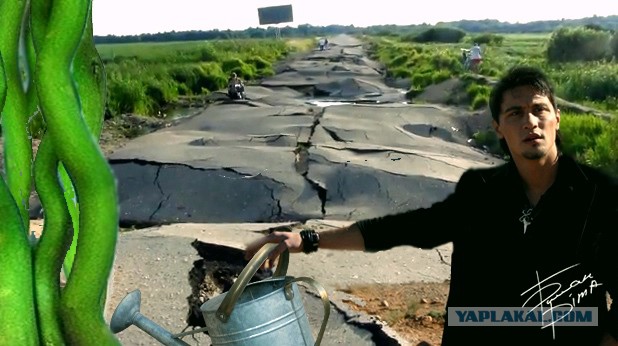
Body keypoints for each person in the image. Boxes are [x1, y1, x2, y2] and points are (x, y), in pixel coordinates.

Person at [245, 66, 618, 346]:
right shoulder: (481, 192)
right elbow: (407, 228)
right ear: (498, 127)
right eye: (515, 113)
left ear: (557, 116)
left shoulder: (599, 195)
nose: (530, 122)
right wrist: (307, 240)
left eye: (539, 109)